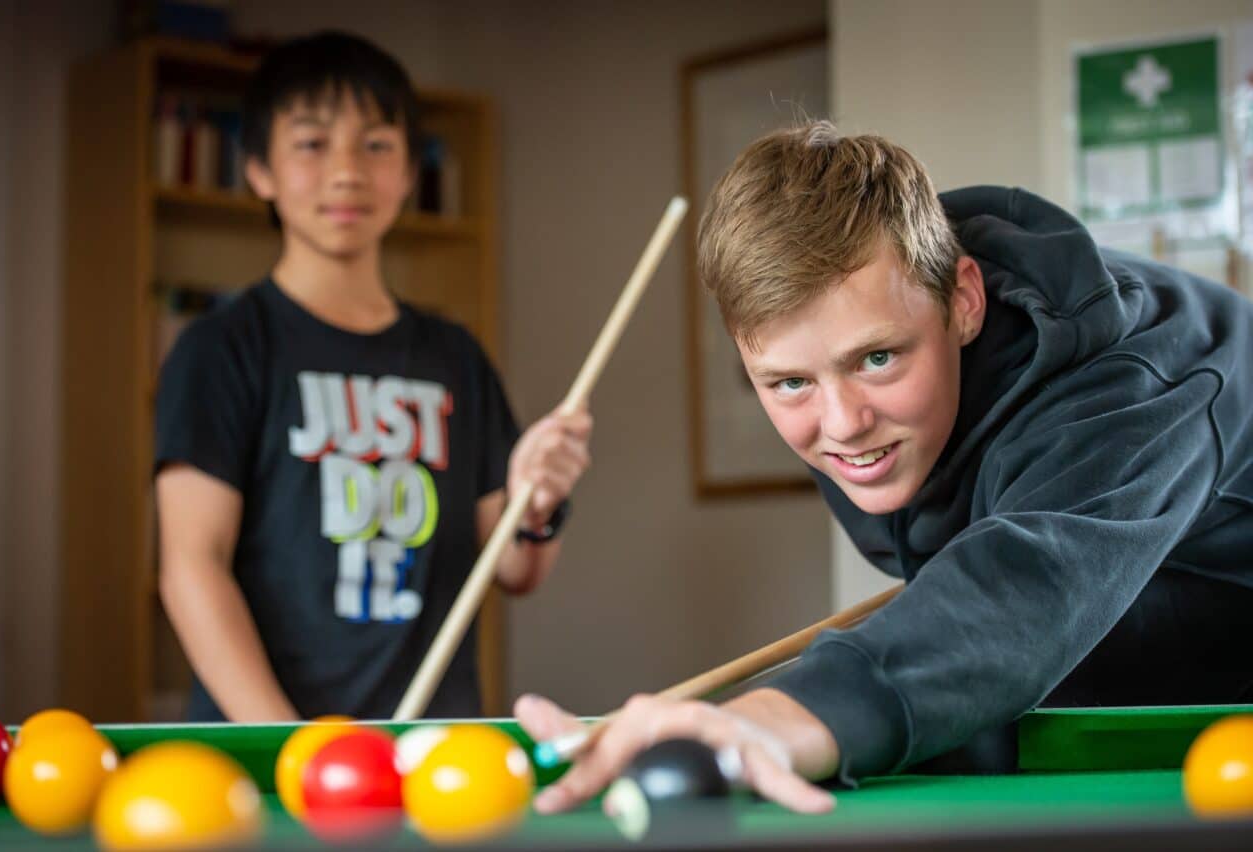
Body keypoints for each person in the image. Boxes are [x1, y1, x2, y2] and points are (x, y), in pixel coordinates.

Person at [516, 121, 1253, 814]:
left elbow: (1026, 585)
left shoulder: (1144, 381)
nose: (842, 425)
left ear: (963, 301)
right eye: (789, 383)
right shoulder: (885, 409)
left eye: (876, 358)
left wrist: (781, 718)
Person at [155, 31, 592, 722]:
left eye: (377, 144)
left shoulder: (455, 357)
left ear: (410, 171)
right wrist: (295, 747)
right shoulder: (221, 347)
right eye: (311, 143)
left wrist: (536, 504)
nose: (347, 171)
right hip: (273, 760)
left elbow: (514, 570)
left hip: (430, 745)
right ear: (259, 170)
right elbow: (191, 567)